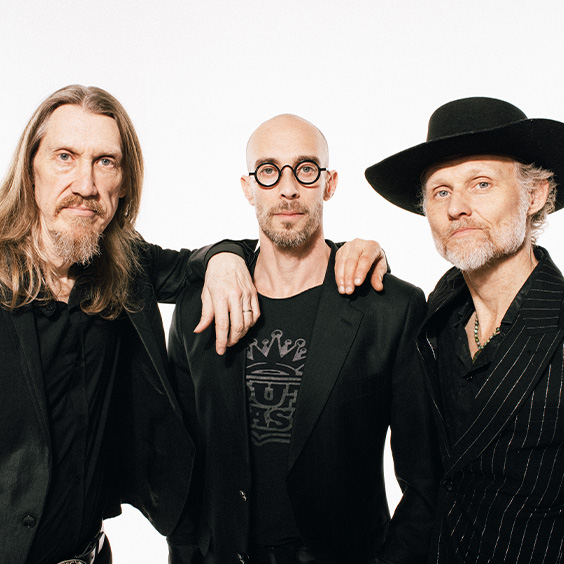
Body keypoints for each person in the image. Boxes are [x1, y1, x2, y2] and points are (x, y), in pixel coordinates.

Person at [0, 83, 265, 564]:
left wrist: (226, 257)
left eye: (105, 162)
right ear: (31, 169)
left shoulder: (123, 265)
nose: (86, 185)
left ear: (123, 184)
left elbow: (194, 263)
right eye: (65, 157)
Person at [167, 114, 440, 564]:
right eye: (269, 171)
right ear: (248, 188)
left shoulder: (391, 307)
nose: (288, 188)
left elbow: (425, 481)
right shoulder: (199, 307)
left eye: (306, 169)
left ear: (329, 184)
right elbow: (182, 469)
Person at [365, 96, 564, 563]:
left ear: (535, 195)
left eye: (481, 184)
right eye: (441, 192)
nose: (457, 208)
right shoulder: (436, 317)